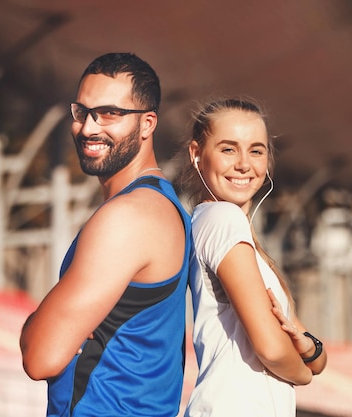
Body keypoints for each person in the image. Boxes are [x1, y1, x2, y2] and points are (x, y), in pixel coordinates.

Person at [19, 52, 193, 417]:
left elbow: (40, 357)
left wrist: (34, 325)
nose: (88, 128)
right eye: (82, 112)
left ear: (147, 124)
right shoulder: (162, 206)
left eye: (109, 113)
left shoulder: (129, 217)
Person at [180, 98, 327, 417]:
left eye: (256, 150)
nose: (244, 164)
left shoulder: (238, 233)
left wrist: (309, 348)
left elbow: (314, 356)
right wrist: (300, 374)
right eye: (228, 149)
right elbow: (273, 349)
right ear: (196, 155)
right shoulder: (222, 219)